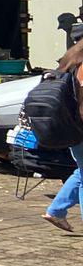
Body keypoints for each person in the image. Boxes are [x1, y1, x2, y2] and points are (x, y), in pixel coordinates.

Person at [43, 37, 83, 232]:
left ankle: (56, 211)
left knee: (81, 171)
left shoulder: (69, 62)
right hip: (79, 127)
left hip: (72, 126)